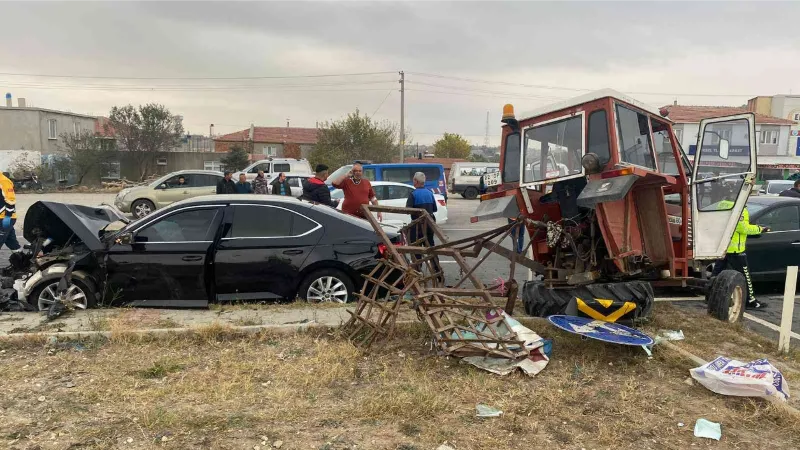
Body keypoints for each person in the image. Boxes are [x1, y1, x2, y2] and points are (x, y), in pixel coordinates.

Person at [711, 202, 769, 309]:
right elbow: (743, 228)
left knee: (716, 274)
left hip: (723, 247)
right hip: (736, 250)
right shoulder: (741, 208)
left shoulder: (722, 205)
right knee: (745, 276)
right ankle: (750, 301)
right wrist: (760, 229)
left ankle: (710, 296)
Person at [406, 172, 438, 247]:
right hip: (429, 225)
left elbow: (408, 210)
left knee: (416, 248)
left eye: (413, 180)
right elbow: (434, 209)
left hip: (417, 227)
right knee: (430, 246)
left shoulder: (413, 194)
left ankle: (418, 258)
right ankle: (434, 259)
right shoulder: (430, 193)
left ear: (416, 181)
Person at [0, 171, 20, 252]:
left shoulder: (4, 181)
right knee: (13, 244)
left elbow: (11, 200)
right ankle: (22, 261)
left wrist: (7, 216)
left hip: (4, 218)